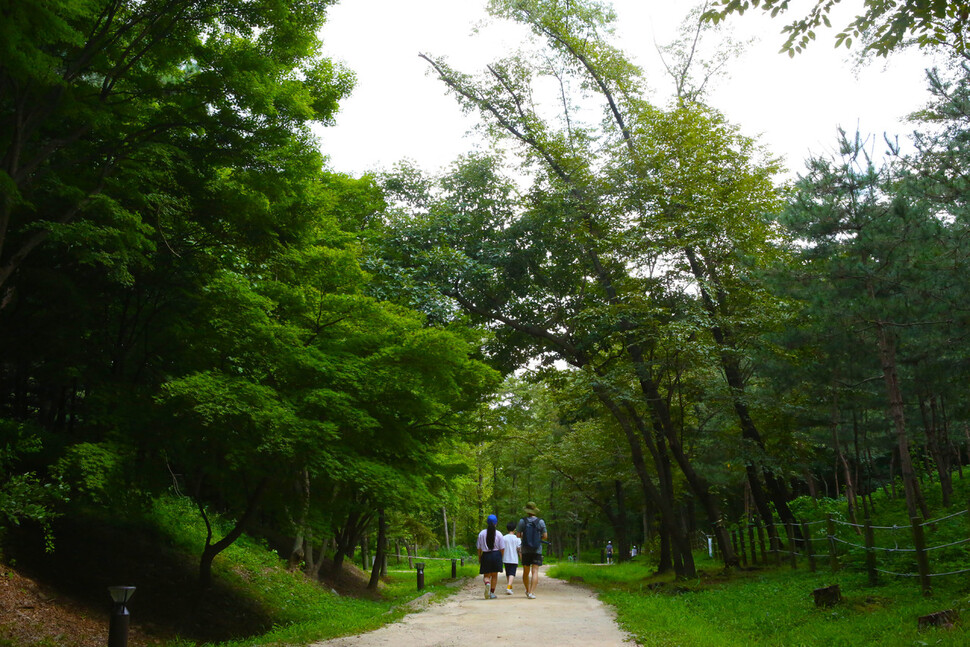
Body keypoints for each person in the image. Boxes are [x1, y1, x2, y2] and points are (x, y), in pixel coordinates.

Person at [515, 501, 547, 600]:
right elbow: (545, 536)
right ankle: (532, 592)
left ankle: (527, 590)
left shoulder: (522, 521)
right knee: (535, 571)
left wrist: (525, 536)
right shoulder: (540, 522)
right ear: (534, 510)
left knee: (526, 571)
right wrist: (537, 537)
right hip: (537, 550)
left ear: (527, 510)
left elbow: (518, 535)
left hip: (525, 550)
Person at [477, 513, 505, 599]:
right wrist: (501, 557)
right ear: (496, 523)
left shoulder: (481, 533)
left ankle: (487, 583)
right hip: (496, 555)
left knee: (486, 576)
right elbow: (502, 548)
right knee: (494, 576)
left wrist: (479, 557)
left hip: (486, 555)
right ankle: (492, 593)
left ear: (487, 522)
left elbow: (479, 547)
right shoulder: (499, 534)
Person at [502, 520, 521, 595]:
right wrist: (521, 558)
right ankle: (509, 587)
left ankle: (509, 587)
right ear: (514, 529)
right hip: (514, 558)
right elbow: (519, 549)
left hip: (506, 558)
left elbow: (502, 548)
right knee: (512, 574)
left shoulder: (504, 538)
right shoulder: (517, 539)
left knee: (508, 573)